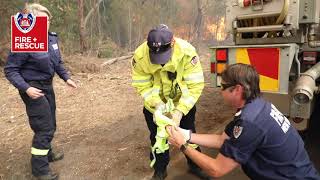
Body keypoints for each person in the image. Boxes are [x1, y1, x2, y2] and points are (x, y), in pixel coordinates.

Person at [167, 63, 320, 180]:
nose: (220, 91)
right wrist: (187, 135)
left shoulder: (249, 123)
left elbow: (217, 169)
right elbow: (223, 140)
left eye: (223, 87)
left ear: (238, 89)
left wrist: (183, 145)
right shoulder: (258, 105)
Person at [4, 3, 77, 180]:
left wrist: (66, 77)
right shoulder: (26, 39)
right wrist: (26, 88)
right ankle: (40, 170)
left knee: (51, 122)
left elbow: (57, 62)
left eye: (49, 19)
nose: (48, 22)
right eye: (44, 19)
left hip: (47, 85)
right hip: (32, 88)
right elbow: (10, 70)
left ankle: (47, 153)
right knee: (44, 127)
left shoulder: (51, 38)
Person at [131, 24, 209, 180]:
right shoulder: (140, 56)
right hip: (155, 107)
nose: (160, 62)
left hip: (182, 103)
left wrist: (179, 111)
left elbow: (195, 85)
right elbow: (141, 84)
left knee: (187, 134)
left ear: (173, 42)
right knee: (157, 138)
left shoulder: (187, 53)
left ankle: (195, 165)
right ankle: (160, 170)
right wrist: (157, 104)